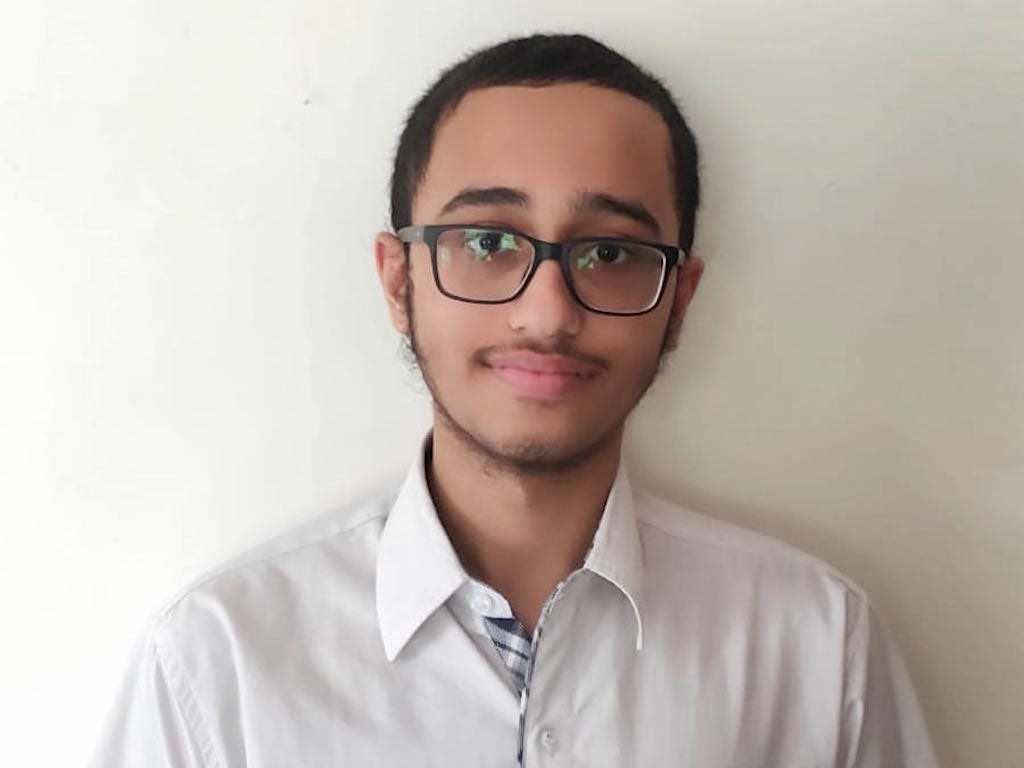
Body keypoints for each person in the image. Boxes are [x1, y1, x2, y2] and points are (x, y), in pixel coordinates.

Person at [92, 33, 939, 767]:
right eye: (489, 240)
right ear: (399, 280)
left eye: (610, 253)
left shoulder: (818, 649)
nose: (547, 315)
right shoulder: (218, 664)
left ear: (679, 300)